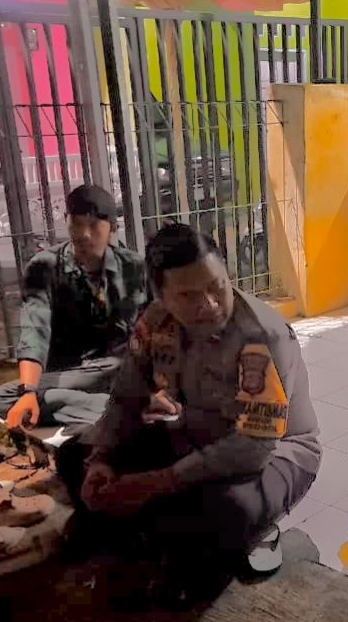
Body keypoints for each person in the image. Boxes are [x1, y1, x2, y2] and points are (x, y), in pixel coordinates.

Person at [59, 223, 321, 605]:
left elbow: (255, 446)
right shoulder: (154, 322)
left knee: (224, 511)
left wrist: (156, 482)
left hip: (278, 454)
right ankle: (139, 530)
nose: (210, 304)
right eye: (188, 295)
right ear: (162, 296)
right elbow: (125, 398)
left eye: (217, 287)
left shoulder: (261, 335)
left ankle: (237, 532)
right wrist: (101, 459)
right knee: (73, 457)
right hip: (193, 437)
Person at [0, 184, 148, 431]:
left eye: (94, 225)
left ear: (112, 227)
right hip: (69, 374)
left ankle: (99, 409)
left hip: (120, 367)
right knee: (2, 398)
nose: (84, 234)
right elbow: (34, 331)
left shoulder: (133, 266)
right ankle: (116, 410)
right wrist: (29, 390)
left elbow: (156, 322)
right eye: (77, 224)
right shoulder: (44, 267)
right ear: (66, 220)